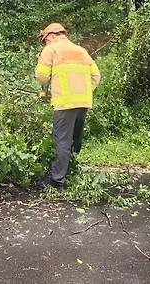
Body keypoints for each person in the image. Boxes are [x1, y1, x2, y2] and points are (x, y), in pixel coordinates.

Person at [35, 23, 100, 189]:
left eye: (45, 40)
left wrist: (40, 62)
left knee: (62, 141)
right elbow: (96, 76)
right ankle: (70, 169)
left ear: (50, 35)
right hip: (83, 102)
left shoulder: (51, 50)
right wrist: (84, 91)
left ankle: (57, 181)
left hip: (65, 103)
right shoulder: (81, 50)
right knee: (75, 139)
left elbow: (41, 77)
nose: (45, 43)